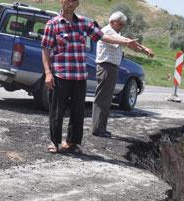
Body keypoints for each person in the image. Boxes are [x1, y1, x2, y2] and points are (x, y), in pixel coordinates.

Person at [41, 0, 139, 154]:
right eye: (67, 0)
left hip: (79, 75)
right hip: (60, 74)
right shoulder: (52, 24)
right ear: (61, 1)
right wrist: (48, 73)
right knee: (56, 111)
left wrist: (125, 42)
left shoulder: (84, 23)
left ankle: (72, 143)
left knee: (77, 111)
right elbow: (46, 49)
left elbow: (103, 37)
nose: (70, 3)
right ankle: (55, 142)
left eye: (73, 0)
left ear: (77, 3)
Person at [92, 11, 154, 138]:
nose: (122, 27)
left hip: (111, 68)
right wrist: (145, 49)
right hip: (106, 67)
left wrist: (143, 50)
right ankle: (98, 129)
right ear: (112, 22)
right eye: (120, 24)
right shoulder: (108, 31)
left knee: (107, 99)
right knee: (102, 99)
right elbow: (126, 41)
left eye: (123, 25)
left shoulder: (115, 33)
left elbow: (128, 43)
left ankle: (101, 128)